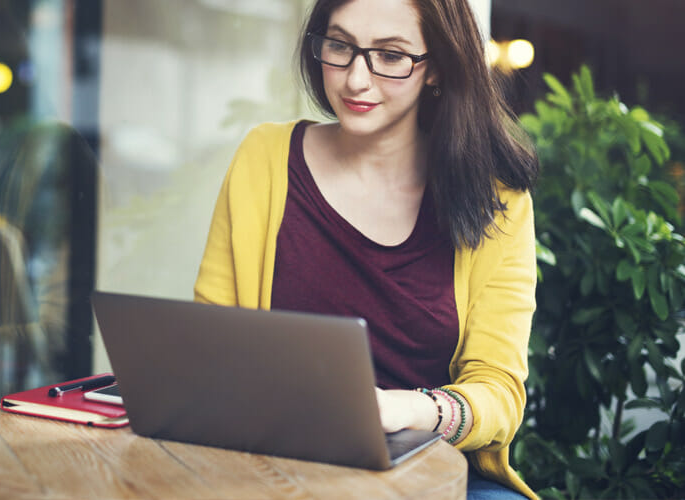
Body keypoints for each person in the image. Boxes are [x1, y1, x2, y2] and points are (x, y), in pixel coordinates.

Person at [194, 0, 539, 498]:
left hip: (426, 470)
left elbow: (499, 394)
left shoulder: (498, 197)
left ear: (437, 66)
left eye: (391, 56)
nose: (356, 79)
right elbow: (211, 341)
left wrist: (407, 410)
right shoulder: (264, 158)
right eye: (340, 46)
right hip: (276, 459)